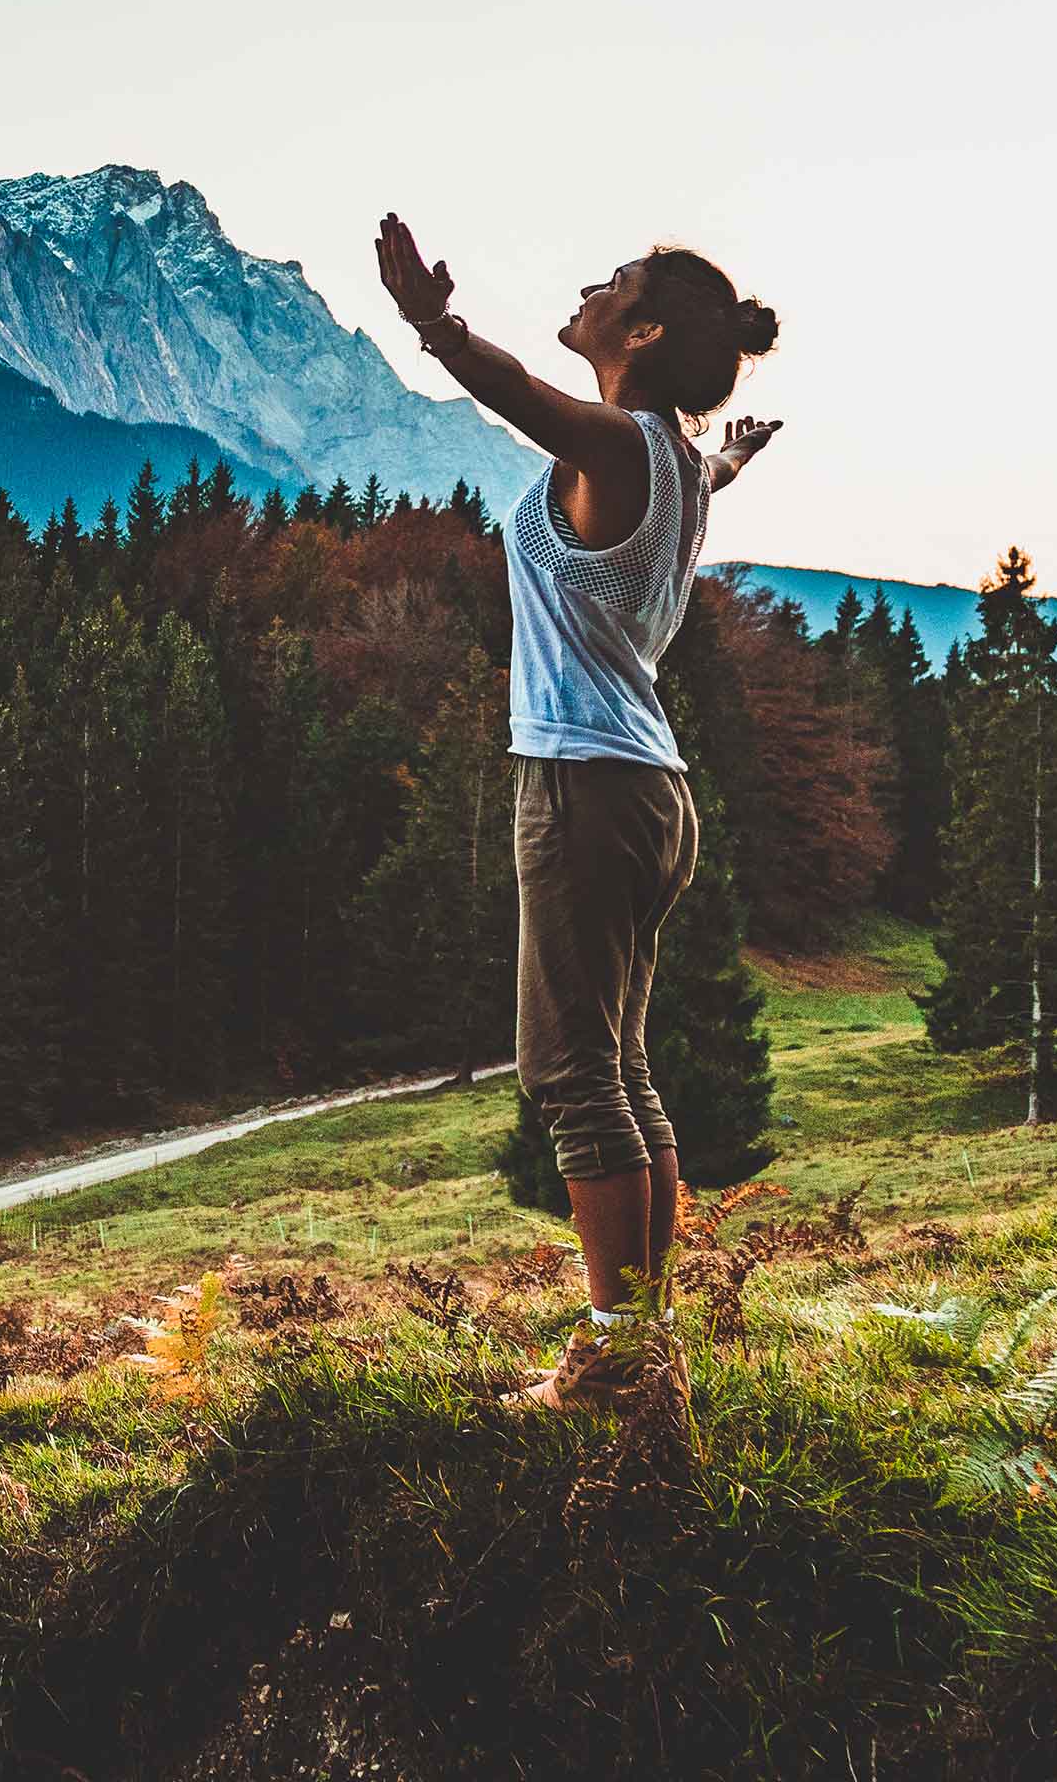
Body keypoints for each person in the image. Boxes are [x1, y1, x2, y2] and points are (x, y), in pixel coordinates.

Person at [373, 217, 781, 1412]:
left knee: (568, 1073)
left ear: (642, 333)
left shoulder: (616, 444)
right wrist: (741, 456)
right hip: (649, 790)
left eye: (614, 285)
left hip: (586, 788)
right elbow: (705, 475)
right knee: (619, 1065)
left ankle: (614, 1363)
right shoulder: (674, 467)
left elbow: (515, 393)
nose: (590, 288)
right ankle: (643, 1346)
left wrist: (433, 325)